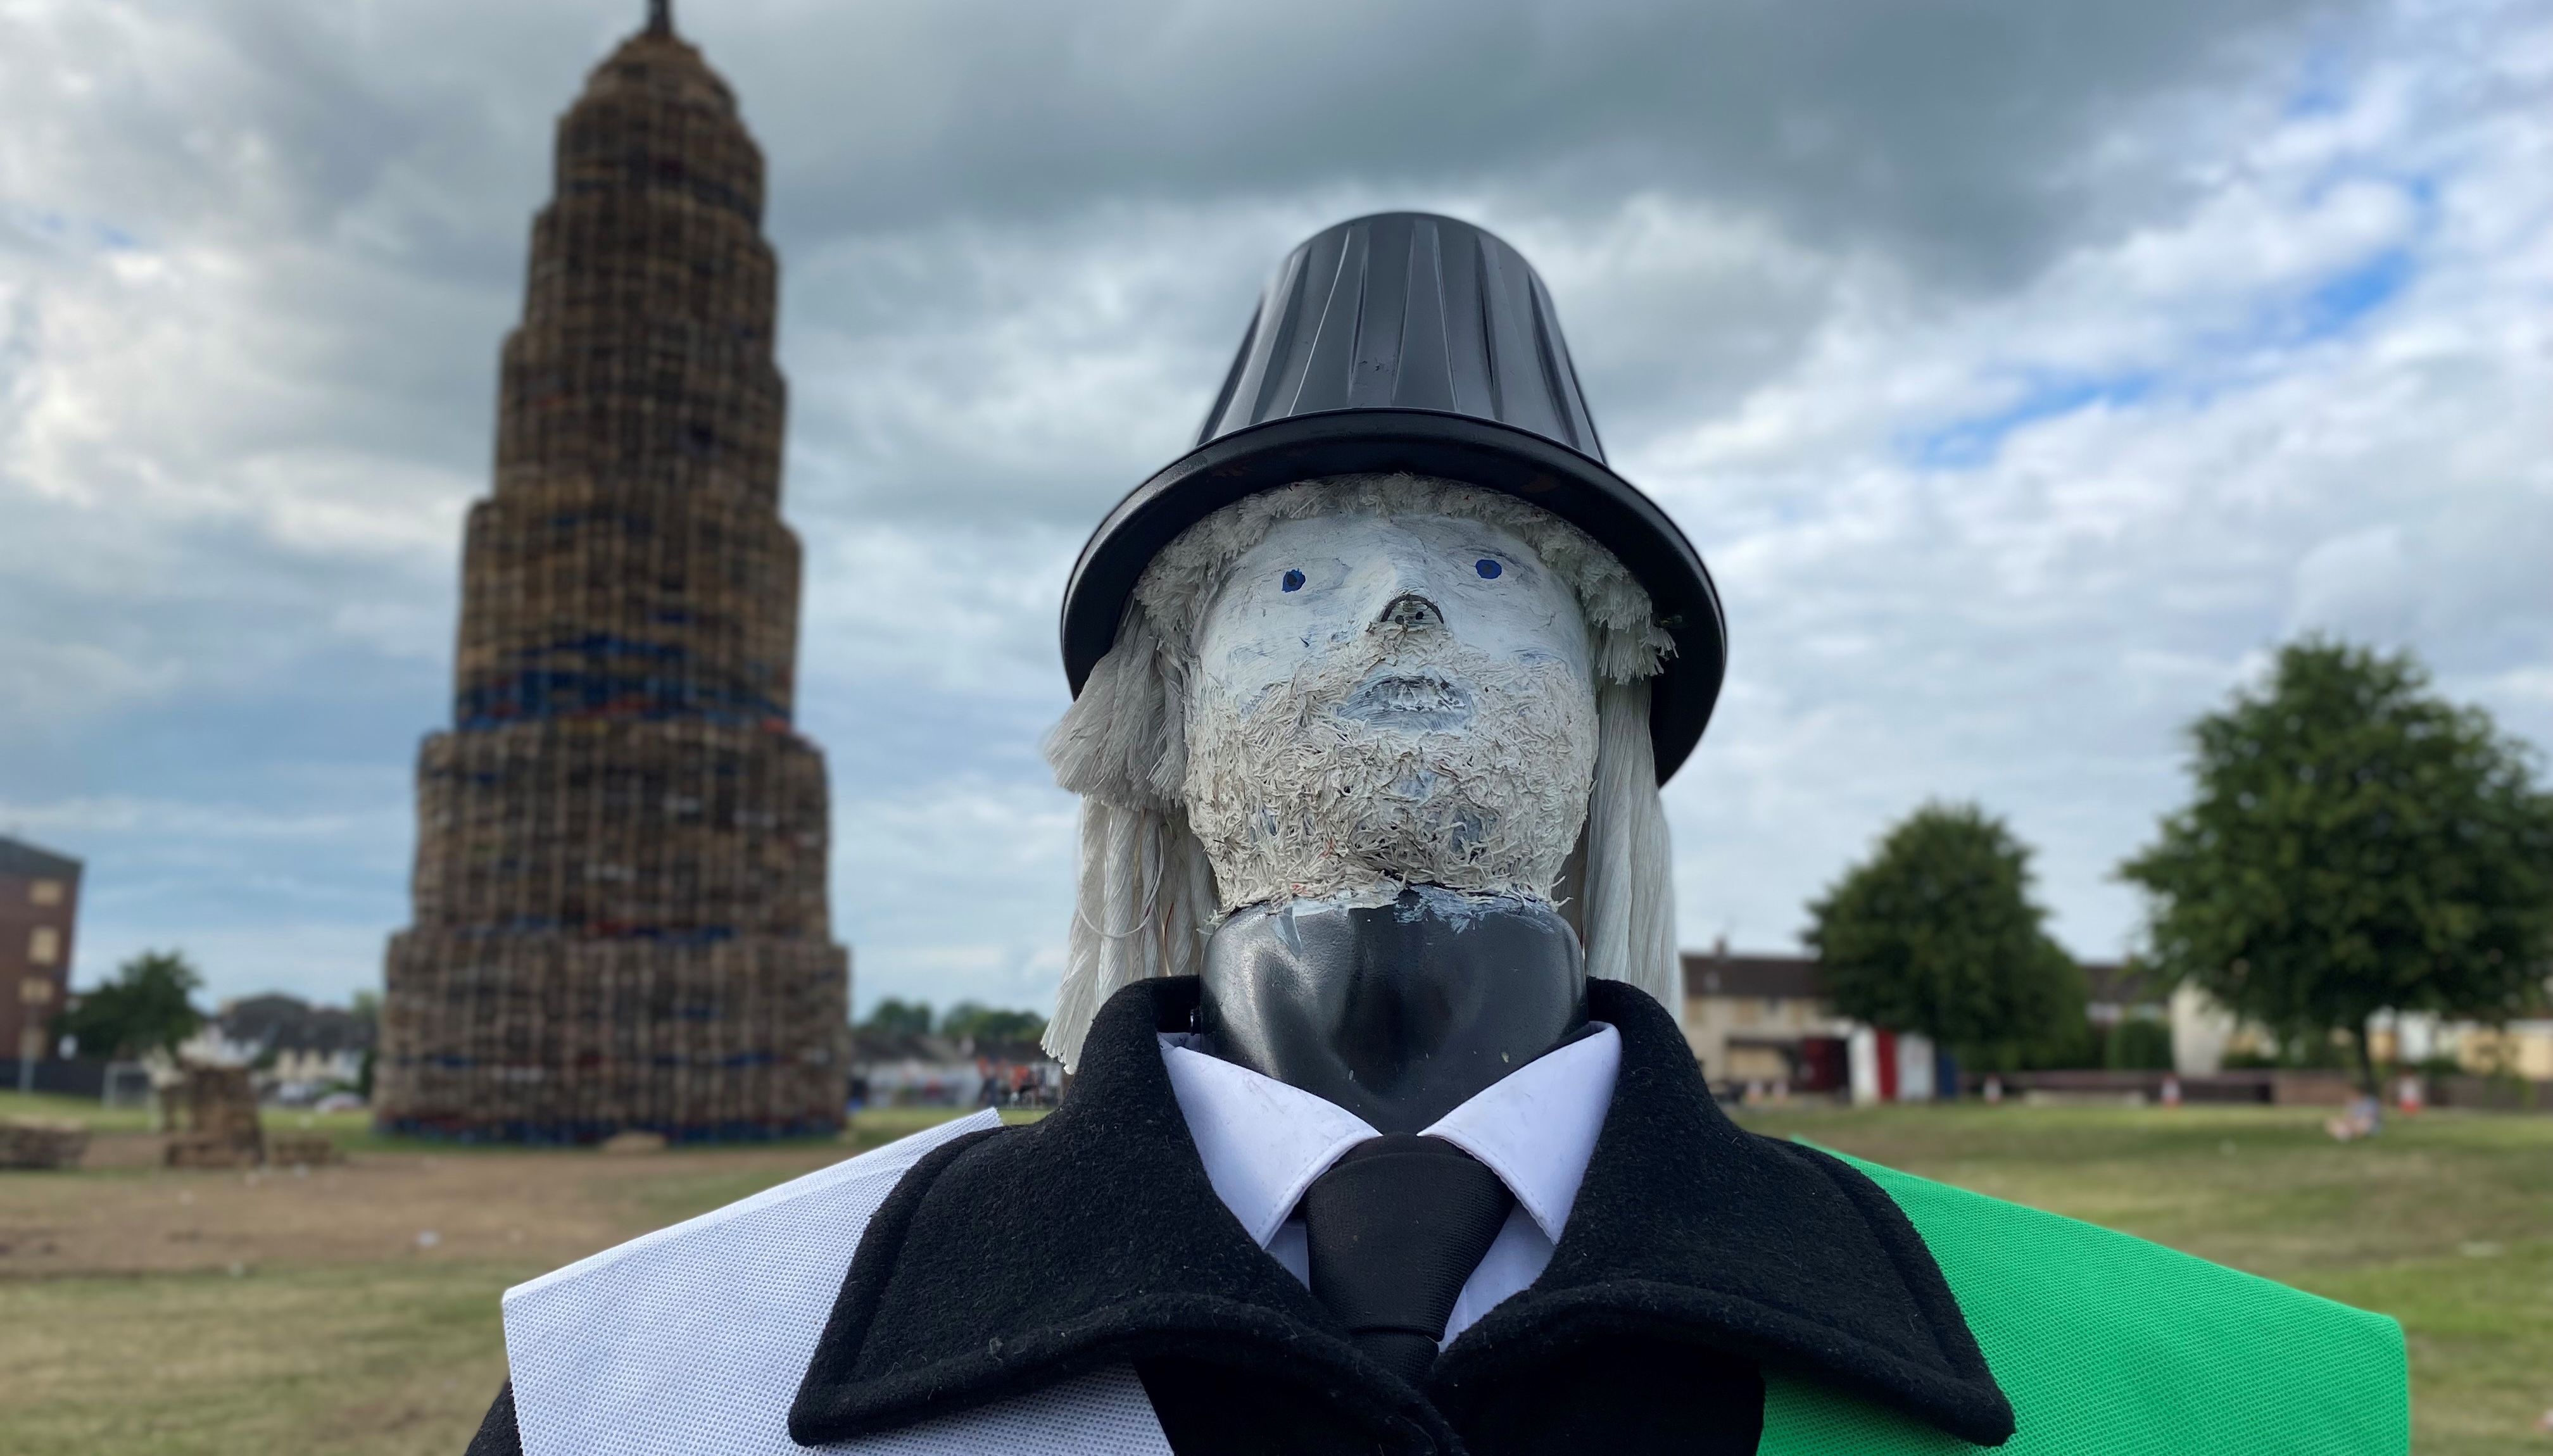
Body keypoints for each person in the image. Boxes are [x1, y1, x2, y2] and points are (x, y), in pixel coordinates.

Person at [465, 215, 2406, 1456]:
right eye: (1299, 572)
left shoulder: (2215, 1403)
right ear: (1164, 712)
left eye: (1490, 569)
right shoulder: (650, 1389)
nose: (1401, 616)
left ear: (1611, 700)